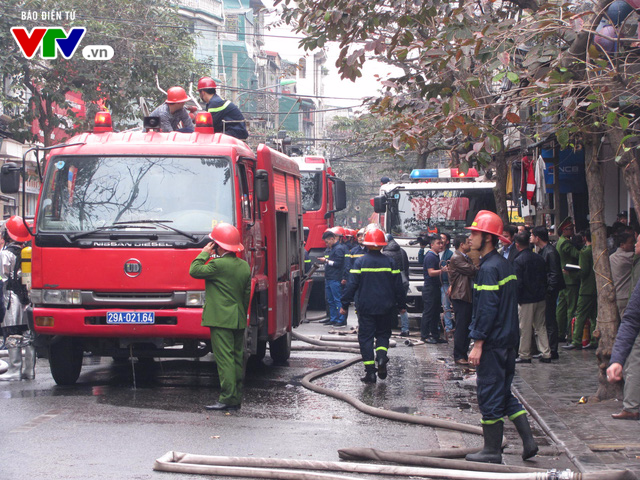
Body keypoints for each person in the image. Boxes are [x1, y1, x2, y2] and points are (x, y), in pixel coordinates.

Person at [465, 210, 538, 464]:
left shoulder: (488, 269)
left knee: (489, 394)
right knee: (504, 391)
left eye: (474, 232)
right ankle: (529, 443)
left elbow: (486, 309)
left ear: (487, 237)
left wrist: (478, 343)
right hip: (509, 340)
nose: (470, 237)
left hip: (494, 342)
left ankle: (491, 450)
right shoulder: (504, 263)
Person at [189, 223, 251, 411]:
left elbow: (194, 270)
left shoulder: (217, 264)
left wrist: (205, 253)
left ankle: (228, 398)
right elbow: (246, 294)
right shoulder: (244, 266)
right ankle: (235, 397)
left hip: (221, 320)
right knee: (236, 358)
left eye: (214, 243)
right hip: (238, 318)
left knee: (224, 360)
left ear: (220, 246)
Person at [340, 228, 406, 383]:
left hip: (366, 307)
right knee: (383, 335)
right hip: (386, 306)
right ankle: (382, 357)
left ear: (367, 244)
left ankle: (370, 372)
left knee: (366, 338)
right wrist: (402, 305)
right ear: (383, 245)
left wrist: (344, 303)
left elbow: (351, 285)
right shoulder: (390, 262)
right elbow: (399, 286)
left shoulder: (360, 261)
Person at [0, 216, 34, 382]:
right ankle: (29, 370)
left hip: (11, 300)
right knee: (28, 336)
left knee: (12, 334)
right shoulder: (28, 252)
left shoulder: (5, 254)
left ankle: (14, 370)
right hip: (27, 299)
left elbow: (3, 278)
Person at [611, 233, 640, 420]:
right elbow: (631, 320)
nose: (636, 244)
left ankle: (631, 405)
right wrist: (617, 359)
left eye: (638, 241)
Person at [512, 233, 552, 364]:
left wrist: (517, 297)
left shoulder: (518, 261)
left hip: (526, 299)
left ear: (517, 245)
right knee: (541, 326)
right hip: (540, 296)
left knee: (525, 327)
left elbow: (518, 283)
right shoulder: (538, 257)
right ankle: (546, 352)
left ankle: (524, 354)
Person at [530, 225, 565, 360]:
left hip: (549, 292)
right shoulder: (543, 251)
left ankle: (552, 349)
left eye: (532, 235)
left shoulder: (550, 252)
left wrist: (549, 291)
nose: (531, 237)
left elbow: (554, 274)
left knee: (549, 320)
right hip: (545, 291)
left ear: (537, 238)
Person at [563, 230, 597, 350]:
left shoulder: (585, 253)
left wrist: (570, 274)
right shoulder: (597, 251)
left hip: (586, 288)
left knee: (581, 314)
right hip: (596, 288)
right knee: (594, 316)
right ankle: (594, 339)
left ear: (584, 238)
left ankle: (576, 340)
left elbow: (583, 272)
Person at [448, 235, 478, 365]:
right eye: (467, 242)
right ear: (461, 244)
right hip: (461, 295)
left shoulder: (464, 257)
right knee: (461, 326)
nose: (470, 244)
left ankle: (463, 353)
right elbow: (472, 270)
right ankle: (459, 355)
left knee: (466, 325)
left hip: (465, 295)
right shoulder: (457, 258)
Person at [555, 217, 581, 344]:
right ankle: (570, 334)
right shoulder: (566, 243)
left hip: (563, 279)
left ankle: (560, 332)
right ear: (564, 230)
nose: (572, 231)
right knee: (571, 307)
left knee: (561, 307)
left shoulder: (560, 242)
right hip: (570, 279)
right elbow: (577, 255)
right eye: (570, 229)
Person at [421, 236, 448, 344]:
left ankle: (435, 335)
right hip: (430, 288)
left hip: (436, 287)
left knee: (436, 312)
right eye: (438, 243)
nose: (441, 245)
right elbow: (431, 272)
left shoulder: (436, 256)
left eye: (442, 243)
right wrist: (442, 270)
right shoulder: (430, 257)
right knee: (428, 312)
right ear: (432, 245)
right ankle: (425, 336)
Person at [317, 229, 347, 326]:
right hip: (330, 277)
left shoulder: (338, 249)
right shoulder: (332, 249)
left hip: (335, 278)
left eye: (327, 242)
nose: (326, 244)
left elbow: (338, 263)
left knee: (337, 299)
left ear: (332, 239)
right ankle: (334, 318)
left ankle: (341, 319)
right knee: (331, 300)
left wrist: (326, 261)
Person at [382, 233, 410, 336]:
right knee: (402, 305)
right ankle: (405, 328)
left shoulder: (385, 254)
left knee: (389, 305)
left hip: (392, 281)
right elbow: (406, 267)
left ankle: (389, 326)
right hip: (404, 280)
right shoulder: (402, 251)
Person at [610, 232, 636, 316]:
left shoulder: (611, 257)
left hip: (618, 295)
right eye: (631, 242)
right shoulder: (630, 256)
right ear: (622, 245)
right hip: (626, 296)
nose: (634, 245)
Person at [440, 232, 455, 337]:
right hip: (435, 283)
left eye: (443, 238)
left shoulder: (449, 254)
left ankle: (448, 328)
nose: (440, 240)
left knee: (446, 306)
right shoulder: (433, 252)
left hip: (445, 283)